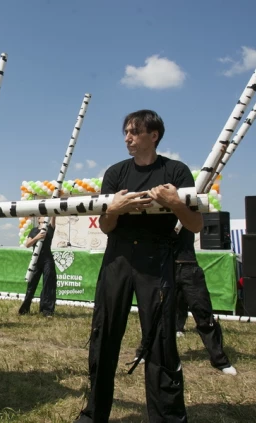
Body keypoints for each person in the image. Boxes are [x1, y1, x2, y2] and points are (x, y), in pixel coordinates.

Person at [75, 110, 203, 423]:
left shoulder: (176, 171)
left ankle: (168, 418)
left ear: (153, 135)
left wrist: (174, 204)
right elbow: (106, 227)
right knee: (104, 335)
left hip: (156, 259)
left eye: (134, 132)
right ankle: (94, 414)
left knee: (160, 341)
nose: (127, 138)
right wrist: (114, 210)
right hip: (118, 258)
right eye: (126, 132)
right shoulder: (116, 173)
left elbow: (196, 225)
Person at [135, 228, 237, 376]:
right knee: (156, 313)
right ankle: (144, 351)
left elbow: (195, 224)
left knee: (203, 313)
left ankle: (220, 360)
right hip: (165, 266)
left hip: (188, 265)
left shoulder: (188, 208)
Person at [19, 216, 57, 317]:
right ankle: (25, 309)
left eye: (45, 216)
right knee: (31, 285)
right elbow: (27, 244)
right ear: (38, 219)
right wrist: (37, 237)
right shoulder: (34, 230)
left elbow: (53, 216)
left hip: (47, 260)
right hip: (36, 260)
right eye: (42, 217)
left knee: (48, 284)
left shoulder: (50, 229)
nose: (44, 218)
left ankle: (47, 310)